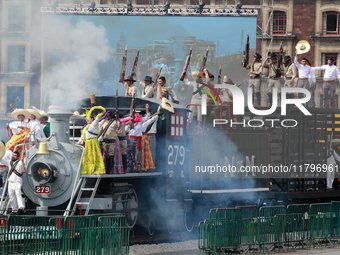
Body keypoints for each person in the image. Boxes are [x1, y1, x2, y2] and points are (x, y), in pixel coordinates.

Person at [77, 106, 106, 175]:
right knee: (88, 157)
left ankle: (96, 169)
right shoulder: (86, 127)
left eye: (88, 118)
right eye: (86, 119)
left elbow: (97, 119)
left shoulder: (94, 124)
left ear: (92, 119)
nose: (87, 120)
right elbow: (83, 136)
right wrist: (78, 142)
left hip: (93, 142)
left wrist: (101, 113)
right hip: (88, 143)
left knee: (94, 156)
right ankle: (88, 169)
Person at [125, 105, 150, 172]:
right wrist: (131, 127)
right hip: (131, 139)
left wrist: (147, 109)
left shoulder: (140, 120)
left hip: (138, 139)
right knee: (131, 154)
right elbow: (126, 130)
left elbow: (147, 117)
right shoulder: (130, 121)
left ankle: (139, 168)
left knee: (139, 154)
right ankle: (131, 168)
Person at [98, 110, 119, 174]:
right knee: (106, 155)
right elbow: (99, 132)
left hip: (111, 141)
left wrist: (117, 118)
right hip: (104, 141)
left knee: (111, 155)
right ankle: (107, 169)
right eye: (107, 115)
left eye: (109, 115)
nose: (107, 116)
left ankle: (110, 169)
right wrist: (95, 139)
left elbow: (120, 124)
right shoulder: (104, 123)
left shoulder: (115, 122)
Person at [142, 104, 162, 168]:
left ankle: (152, 165)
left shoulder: (153, 118)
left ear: (150, 113)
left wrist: (159, 107)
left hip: (152, 136)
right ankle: (145, 165)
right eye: (145, 114)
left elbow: (157, 114)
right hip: (145, 137)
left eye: (147, 113)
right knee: (145, 152)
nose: (146, 115)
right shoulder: (142, 121)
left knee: (152, 151)